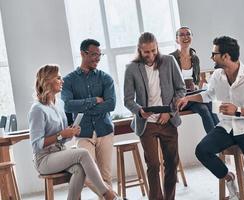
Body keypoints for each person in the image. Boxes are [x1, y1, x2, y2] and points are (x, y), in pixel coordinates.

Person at [177, 36, 244, 200]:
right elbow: (208, 94)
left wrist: (237, 111)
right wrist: (188, 98)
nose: (211, 56)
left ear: (226, 56)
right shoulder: (217, 75)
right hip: (226, 127)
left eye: (214, 53)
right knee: (202, 151)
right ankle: (229, 177)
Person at [28, 64, 122, 200]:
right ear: (47, 81)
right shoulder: (37, 109)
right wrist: (61, 135)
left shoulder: (58, 104)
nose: (63, 81)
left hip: (59, 152)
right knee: (83, 153)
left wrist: (70, 133)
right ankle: (109, 195)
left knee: (79, 169)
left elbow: (63, 137)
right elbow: (36, 145)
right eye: (58, 78)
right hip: (44, 159)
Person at [124, 32, 185, 200]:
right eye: (146, 52)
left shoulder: (169, 62)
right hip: (146, 122)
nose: (150, 55)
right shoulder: (131, 68)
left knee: (172, 163)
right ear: (139, 50)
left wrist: (169, 112)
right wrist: (139, 111)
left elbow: (181, 90)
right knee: (153, 164)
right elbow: (128, 100)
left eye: (153, 50)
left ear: (157, 47)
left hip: (168, 120)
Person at [61, 39, 116, 197]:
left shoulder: (106, 78)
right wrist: (93, 101)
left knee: (106, 176)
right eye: (93, 54)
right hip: (83, 134)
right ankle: (116, 197)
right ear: (82, 53)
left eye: (99, 55)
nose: (97, 58)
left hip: (105, 131)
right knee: (88, 175)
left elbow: (110, 105)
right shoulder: (69, 80)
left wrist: (83, 107)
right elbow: (68, 106)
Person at [170, 26, 219, 134]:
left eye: (188, 34)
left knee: (206, 105)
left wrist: (195, 86)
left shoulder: (195, 58)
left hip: (192, 95)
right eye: (181, 35)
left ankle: (220, 139)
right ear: (176, 40)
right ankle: (217, 142)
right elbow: (167, 84)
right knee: (205, 105)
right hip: (178, 98)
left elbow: (196, 81)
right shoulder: (171, 59)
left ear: (192, 37)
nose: (185, 37)